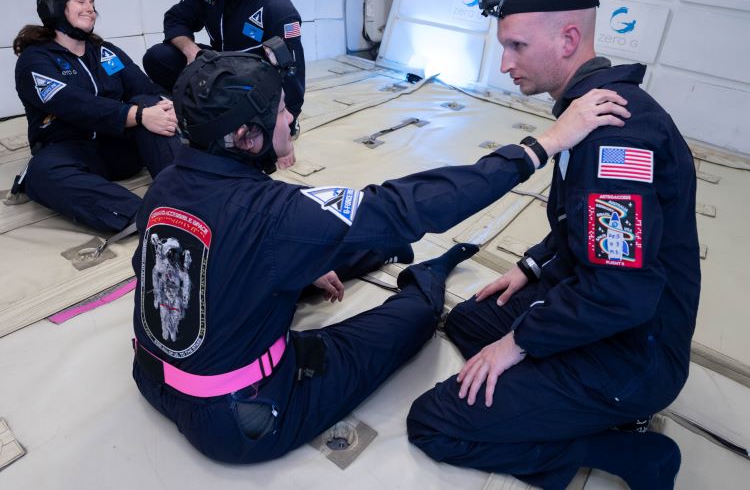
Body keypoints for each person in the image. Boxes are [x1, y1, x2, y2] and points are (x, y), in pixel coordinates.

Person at [130, 47, 629, 464]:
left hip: (152, 382)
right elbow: (407, 204)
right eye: (280, 109)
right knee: (410, 320)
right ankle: (428, 274)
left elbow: (180, 269)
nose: (289, 116)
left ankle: (364, 259)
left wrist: (298, 269)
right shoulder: (277, 213)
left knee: (328, 247)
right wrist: (542, 145)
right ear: (247, 136)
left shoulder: (166, 183)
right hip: (243, 421)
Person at [407, 0, 700, 490]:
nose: (504, 64)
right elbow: (579, 226)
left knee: (435, 424)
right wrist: (532, 265)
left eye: (517, 46)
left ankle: (630, 451)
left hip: (633, 352)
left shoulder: (618, 140)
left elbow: (621, 291)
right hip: (598, 305)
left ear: (569, 39)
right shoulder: (583, 115)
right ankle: (555, 400)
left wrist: (520, 343)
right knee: (470, 322)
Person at [13, 0, 180, 233]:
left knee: (151, 102)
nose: (91, 8)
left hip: (120, 147)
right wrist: (137, 114)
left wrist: (167, 106)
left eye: (92, 2)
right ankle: (149, 218)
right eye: (81, 1)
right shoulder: (35, 60)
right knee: (41, 172)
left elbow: (143, 87)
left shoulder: (105, 52)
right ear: (55, 8)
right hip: (72, 150)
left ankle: (185, 197)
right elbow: (73, 103)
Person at [142, 0, 304, 168]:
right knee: (158, 57)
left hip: (253, 91)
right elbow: (176, 19)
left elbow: (292, 78)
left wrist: (284, 129)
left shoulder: (277, 9)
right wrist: (191, 50)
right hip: (219, 72)